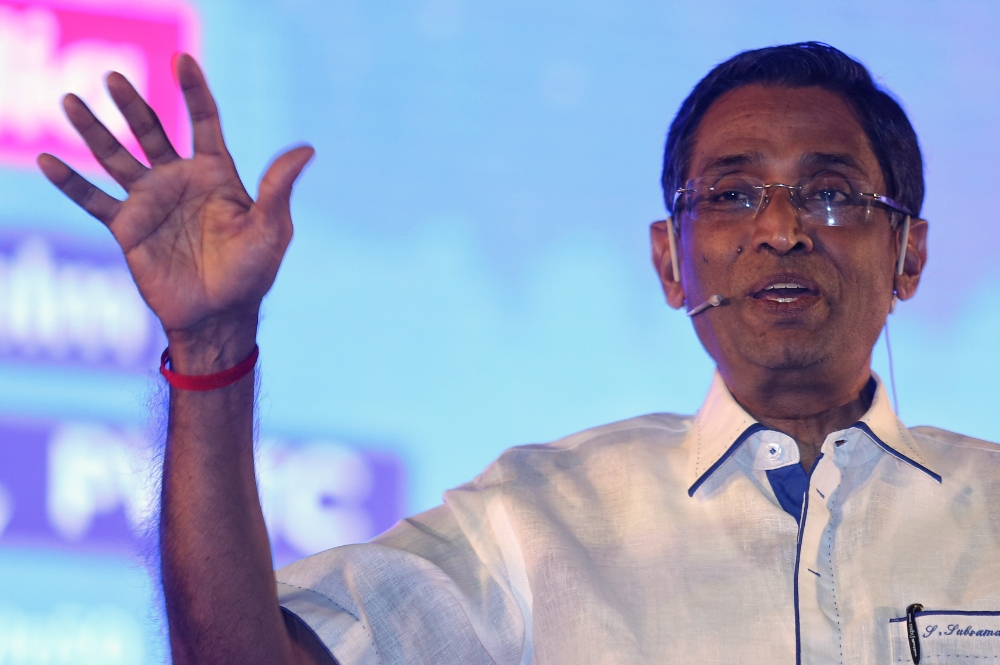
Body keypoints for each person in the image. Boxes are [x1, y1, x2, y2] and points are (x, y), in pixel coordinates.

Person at [37, 41, 1000, 665]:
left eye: (831, 194)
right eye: (733, 195)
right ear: (671, 261)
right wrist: (210, 346)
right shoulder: (538, 523)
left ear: (909, 253)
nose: (781, 229)